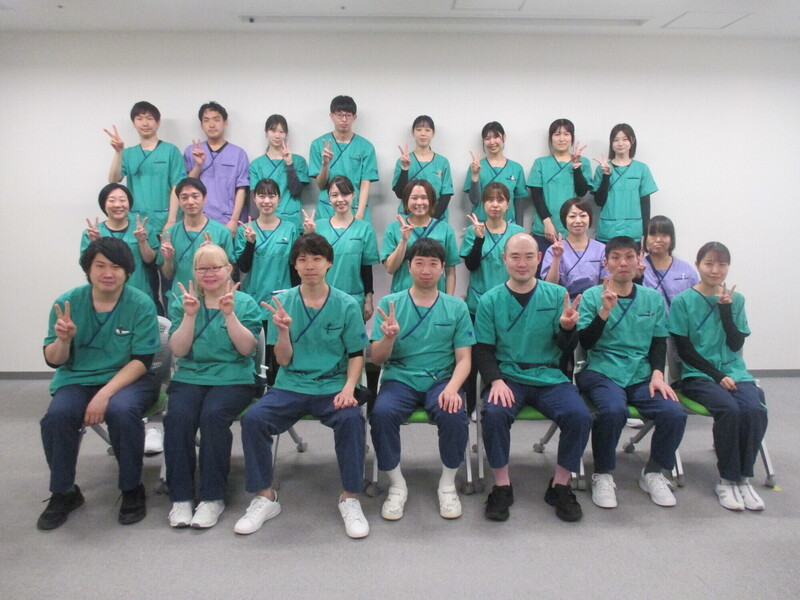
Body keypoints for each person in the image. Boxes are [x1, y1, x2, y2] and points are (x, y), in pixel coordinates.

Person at [236, 234, 370, 539]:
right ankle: (265, 497)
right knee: (254, 419)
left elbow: (356, 355)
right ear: (294, 265)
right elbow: (282, 360)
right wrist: (283, 331)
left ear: (329, 263)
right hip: (291, 384)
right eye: (302, 259)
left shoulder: (346, 304)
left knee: (351, 420)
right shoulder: (283, 303)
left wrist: (349, 388)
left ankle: (350, 497)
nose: (310, 265)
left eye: (316, 259)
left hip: (332, 384)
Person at [38, 238, 160, 530]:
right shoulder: (67, 303)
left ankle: (131, 488)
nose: (108, 273)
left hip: (130, 378)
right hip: (78, 378)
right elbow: (54, 360)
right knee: (57, 417)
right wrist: (63, 340)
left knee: (122, 410)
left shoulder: (140, 303)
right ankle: (64, 492)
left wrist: (105, 394)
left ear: (127, 271)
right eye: (100, 266)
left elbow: (142, 360)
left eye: (115, 267)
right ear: (88, 269)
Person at [476, 233, 591, 522]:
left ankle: (560, 485)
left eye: (529, 256)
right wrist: (495, 381)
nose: (522, 263)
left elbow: (566, 348)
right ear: (504, 259)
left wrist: (567, 329)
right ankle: (502, 486)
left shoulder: (556, 295)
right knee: (494, 413)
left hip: (549, 375)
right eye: (515, 256)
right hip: (508, 376)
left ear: (539, 259)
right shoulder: (490, 300)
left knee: (579, 415)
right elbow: (483, 350)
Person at [576, 236, 687, 509]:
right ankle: (603, 473)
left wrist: (658, 374)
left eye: (629, 257)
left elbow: (658, 342)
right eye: (616, 257)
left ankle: (653, 472)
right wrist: (604, 311)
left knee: (674, 412)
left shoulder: (652, 298)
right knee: (613, 410)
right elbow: (585, 343)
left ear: (639, 261)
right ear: (606, 263)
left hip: (640, 373)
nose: (623, 263)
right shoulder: (591, 296)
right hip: (601, 370)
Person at [369, 238, 475, 520]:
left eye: (432, 264)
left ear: (442, 268)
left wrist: (453, 388)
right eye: (419, 263)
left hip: (441, 380)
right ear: (409, 266)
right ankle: (397, 485)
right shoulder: (390, 304)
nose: (426, 270)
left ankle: (447, 484)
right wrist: (388, 338)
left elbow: (465, 359)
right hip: (400, 378)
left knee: (454, 414)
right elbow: (377, 359)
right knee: (382, 414)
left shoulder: (456, 307)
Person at [164, 244, 262, 529]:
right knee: (178, 417)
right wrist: (189, 316)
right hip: (190, 376)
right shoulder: (183, 302)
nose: (209, 273)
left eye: (215, 267)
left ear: (228, 269)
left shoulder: (245, 303)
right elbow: (178, 350)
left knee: (213, 416)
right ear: (194, 272)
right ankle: (181, 497)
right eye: (202, 268)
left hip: (233, 378)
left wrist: (230, 315)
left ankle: (212, 497)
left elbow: (247, 349)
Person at [669, 242, 768, 511]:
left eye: (722, 264)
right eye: (709, 264)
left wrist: (726, 310)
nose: (715, 270)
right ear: (697, 265)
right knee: (729, 409)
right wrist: (716, 375)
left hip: (735, 372)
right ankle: (727, 479)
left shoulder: (737, 300)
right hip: (697, 375)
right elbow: (685, 351)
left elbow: (735, 344)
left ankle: (743, 479)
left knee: (755, 409)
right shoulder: (682, 302)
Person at [459, 182, 524, 414]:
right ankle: (471, 406)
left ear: (508, 204)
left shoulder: (517, 232)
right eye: (490, 200)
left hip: (509, 305)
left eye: (500, 200)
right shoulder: (474, 230)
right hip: (478, 305)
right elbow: (470, 265)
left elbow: (523, 268)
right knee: (475, 358)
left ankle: (500, 400)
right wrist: (478, 239)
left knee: (504, 355)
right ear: (483, 204)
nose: (495, 204)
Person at [235, 178, 299, 384]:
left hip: (282, 300)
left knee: (278, 353)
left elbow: (295, 267)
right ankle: (254, 390)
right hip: (254, 300)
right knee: (254, 352)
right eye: (262, 196)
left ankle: (277, 389)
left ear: (279, 199)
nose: (267, 201)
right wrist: (250, 243)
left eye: (272, 196)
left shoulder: (290, 229)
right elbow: (243, 267)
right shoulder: (246, 229)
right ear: (254, 199)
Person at [303, 176, 380, 321]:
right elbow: (307, 263)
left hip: (354, 298)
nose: (340, 199)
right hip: (322, 298)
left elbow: (366, 267)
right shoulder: (318, 227)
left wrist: (368, 299)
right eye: (334, 195)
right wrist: (309, 235)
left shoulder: (365, 229)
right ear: (329, 198)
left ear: (353, 195)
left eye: (345, 194)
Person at [105, 101, 186, 233]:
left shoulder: (171, 151)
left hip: (166, 219)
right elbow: (113, 180)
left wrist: (171, 221)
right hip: (136, 220)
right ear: (134, 123)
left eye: (149, 118)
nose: (145, 123)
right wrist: (118, 152)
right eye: (139, 119)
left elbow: (177, 186)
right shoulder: (128, 153)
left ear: (158, 122)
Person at [158, 177, 234, 309]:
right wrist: (168, 260)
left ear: (205, 198)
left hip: (215, 301)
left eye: (195, 196)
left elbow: (229, 272)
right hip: (181, 299)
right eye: (184, 197)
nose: (190, 202)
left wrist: (213, 254)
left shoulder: (222, 232)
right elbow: (168, 275)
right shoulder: (169, 234)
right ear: (179, 201)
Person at [82, 183, 158, 302]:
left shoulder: (144, 229)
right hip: (105, 294)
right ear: (103, 204)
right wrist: (95, 244)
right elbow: (87, 266)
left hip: (138, 293)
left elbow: (151, 261)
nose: (117, 205)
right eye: (111, 200)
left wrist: (142, 241)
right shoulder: (93, 233)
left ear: (129, 204)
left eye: (122, 200)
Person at [184, 101, 250, 236]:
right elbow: (186, 187)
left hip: (227, 221)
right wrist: (198, 165)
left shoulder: (238, 154)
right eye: (206, 120)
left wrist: (234, 220)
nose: (212, 125)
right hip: (198, 221)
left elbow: (241, 189)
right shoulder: (192, 151)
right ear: (201, 125)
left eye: (216, 119)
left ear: (225, 122)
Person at [527, 119, 592, 257]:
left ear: (572, 137)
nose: (562, 139)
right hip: (544, 230)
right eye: (557, 134)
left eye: (566, 134)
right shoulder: (540, 163)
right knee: (544, 269)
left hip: (572, 231)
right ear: (551, 138)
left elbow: (582, 192)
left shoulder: (583, 162)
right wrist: (547, 223)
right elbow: (536, 196)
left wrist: (576, 166)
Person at [381, 179, 459, 294]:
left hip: (436, 296)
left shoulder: (445, 230)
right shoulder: (393, 229)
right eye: (414, 198)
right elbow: (390, 268)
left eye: (424, 197)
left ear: (432, 200)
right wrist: (403, 241)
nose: (419, 202)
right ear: (406, 201)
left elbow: (450, 270)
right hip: (403, 296)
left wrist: (449, 300)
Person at [309, 95, 378, 222]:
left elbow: (365, 182)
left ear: (354, 117)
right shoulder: (318, 144)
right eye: (339, 115)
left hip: (354, 207)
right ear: (331, 116)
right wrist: (325, 164)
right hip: (327, 209)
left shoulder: (366, 147)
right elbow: (321, 184)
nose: (344, 119)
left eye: (348, 115)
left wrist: (360, 213)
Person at [592, 124, 657, 243]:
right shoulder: (602, 168)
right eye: (616, 140)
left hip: (633, 232)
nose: (620, 143)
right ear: (611, 143)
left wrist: (645, 234)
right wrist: (606, 176)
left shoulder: (641, 169)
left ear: (632, 141)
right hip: (608, 232)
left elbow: (645, 205)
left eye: (625, 139)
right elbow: (599, 201)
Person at [248, 114, 309, 230]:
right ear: (266, 132)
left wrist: (289, 164)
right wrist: (254, 226)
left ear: (286, 134)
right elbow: (254, 199)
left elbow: (296, 191)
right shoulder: (256, 165)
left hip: (291, 222)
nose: (277, 135)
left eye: (281, 131)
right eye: (273, 130)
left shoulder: (298, 161)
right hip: (264, 223)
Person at [464, 121, 528, 226]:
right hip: (481, 225)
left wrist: (519, 229)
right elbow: (474, 200)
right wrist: (475, 174)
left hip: (508, 225)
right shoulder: (476, 167)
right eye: (487, 138)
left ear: (504, 138)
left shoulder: (516, 168)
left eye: (496, 137)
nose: (492, 142)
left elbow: (519, 202)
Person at [541, 197, 606, 300]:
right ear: (564, 220)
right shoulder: (553, 249)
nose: (578, 221)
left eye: (583, 216)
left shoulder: (601, 249)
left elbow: (605, 285)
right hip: (562, 303)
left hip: (593, 303)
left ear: (590, 218)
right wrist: (557, 257)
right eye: (572, 216)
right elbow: (550, 286)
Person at [393, 115, 454, 221]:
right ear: (413, 132)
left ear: (433, 133)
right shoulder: (403, 161)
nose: (423, 133)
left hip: (436, 218)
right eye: (419, 129)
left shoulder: (442, 162)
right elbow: (399, 194)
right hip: (408, 218)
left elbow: (446, 195)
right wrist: (405, 168)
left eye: (427, 130)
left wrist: (431, 220)